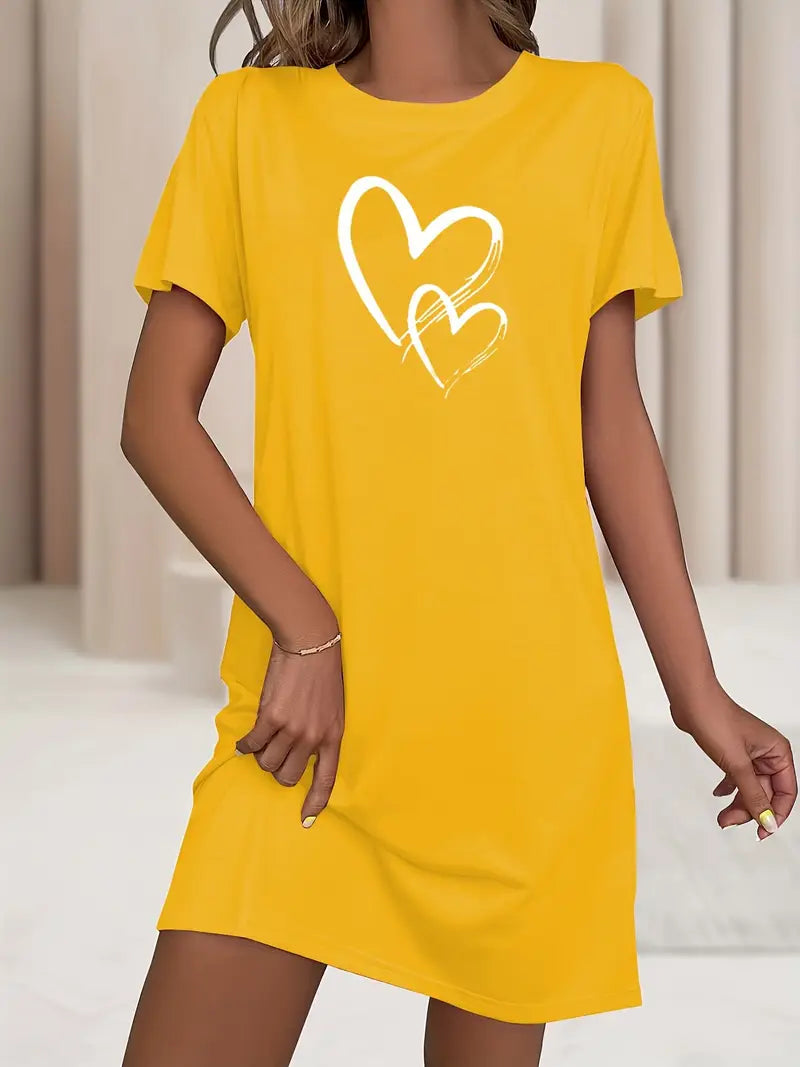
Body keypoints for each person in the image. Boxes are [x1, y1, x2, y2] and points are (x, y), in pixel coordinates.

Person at [119, 2, 796, 1065]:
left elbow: (609, 425)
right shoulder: (247, 123)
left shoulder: (596, 116)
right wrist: (305, 628)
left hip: (519, 746)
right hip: (309, 733)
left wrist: (694, 689)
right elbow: (155, 417)